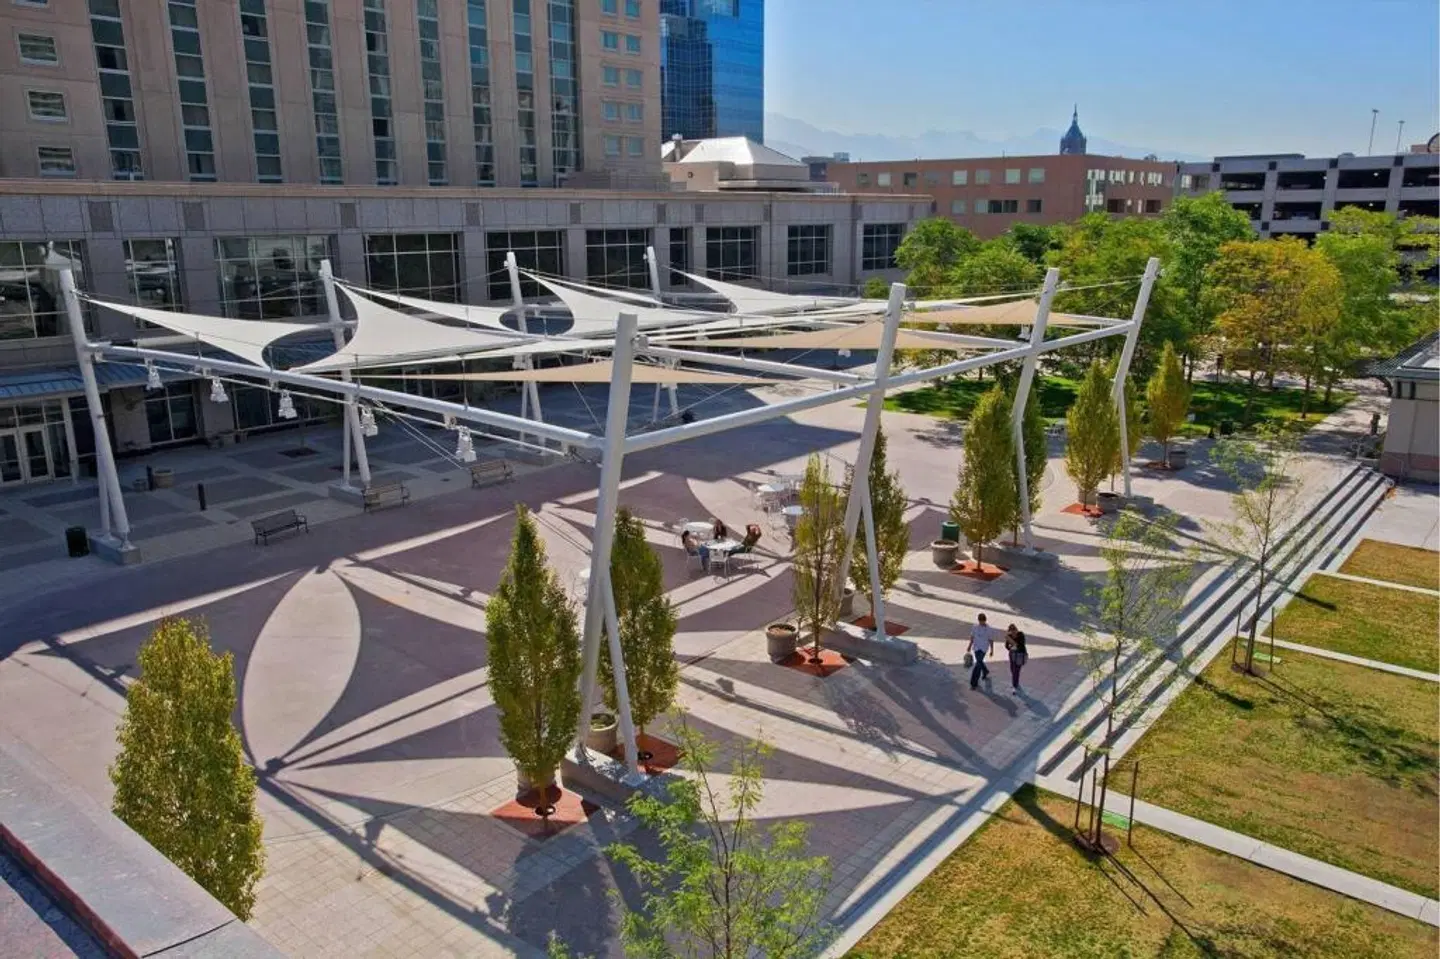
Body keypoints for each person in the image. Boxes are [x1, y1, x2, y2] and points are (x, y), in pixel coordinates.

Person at [966, 613, 997, 691]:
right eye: (980, 621)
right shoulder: (975, 627)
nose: (981, 623)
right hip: (976, 648)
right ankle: (985, 671)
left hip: (983, 648)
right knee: (979, 662)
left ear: (985, 620)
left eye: (983, 621)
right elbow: (972, 636)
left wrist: (992, 650)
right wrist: (969, 645)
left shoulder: (989, 629)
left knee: (978, 664)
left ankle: (973, 683)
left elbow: (991, 640)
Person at [1005, 624, 1029, 695]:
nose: (1013, 633)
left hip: (1020, 655)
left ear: (1016, 630)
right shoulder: (1009, 636)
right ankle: (1016, 681)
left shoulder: (1021, 635)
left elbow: (1021, 645)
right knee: (1012, 669)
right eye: (1011, 632)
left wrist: (1013, 643)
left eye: (1014, 631)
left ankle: (1014, 686)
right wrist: (1010, 648)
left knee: (1016, 670)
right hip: (1012, 654)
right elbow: (1006, 646)